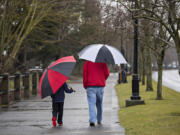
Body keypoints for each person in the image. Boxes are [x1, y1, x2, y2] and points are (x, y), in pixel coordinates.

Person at [83, 61, 109, 127]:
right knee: (99, 104)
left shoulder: (87, 63)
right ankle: (99, 120)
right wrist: (102, 79)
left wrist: (85, 85)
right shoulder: (103, 62)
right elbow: (107, 74)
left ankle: (92, 120)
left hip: (90, 86)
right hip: (100, 86)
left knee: (91, 104)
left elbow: (85, 75)